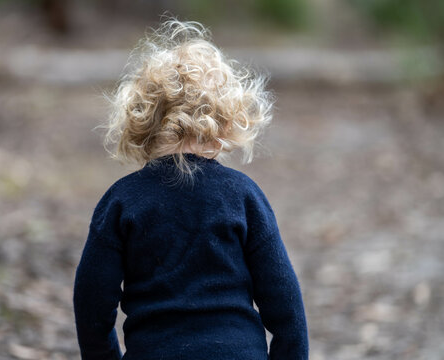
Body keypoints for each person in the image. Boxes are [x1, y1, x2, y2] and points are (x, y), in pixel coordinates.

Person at [72, 16, 309, 360]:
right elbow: (286, 306)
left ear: (141, 121)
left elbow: (91, 302)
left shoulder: (121, 203)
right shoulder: (244, 197)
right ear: (227, 122)